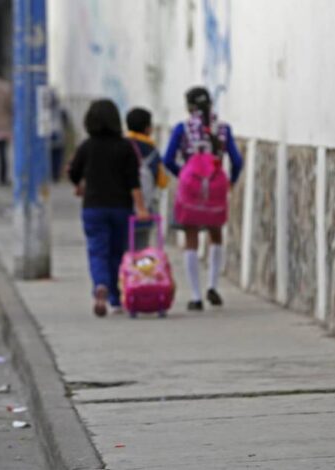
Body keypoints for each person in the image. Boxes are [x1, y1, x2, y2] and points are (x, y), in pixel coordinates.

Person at [68, 99, 150, 317]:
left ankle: (100, 285)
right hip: (121, 208)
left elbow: (73, 171)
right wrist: (141, 208)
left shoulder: (87, 146)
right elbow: (134, 182)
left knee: (97, 251)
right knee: (117, 253)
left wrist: (79, 185)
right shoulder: (126, 147)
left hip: (93, 207)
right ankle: (115, 299)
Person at [163, 87, 242, 311]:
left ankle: (196, 296)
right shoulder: (223, 129)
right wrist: (231, 181)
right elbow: (237, 161)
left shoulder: (182, 129)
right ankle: (213, 285)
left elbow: (168, 159)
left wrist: (185, 176)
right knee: (216, 234)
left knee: (191, 238)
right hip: (216, 188)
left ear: (189, 107)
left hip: (192, 189)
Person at [125, 107, 167, 249]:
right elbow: (162, 182)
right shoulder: (152, 151)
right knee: (140, 250)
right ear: (148, 128)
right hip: (144, 210)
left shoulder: (120, 144)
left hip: (120, 209)